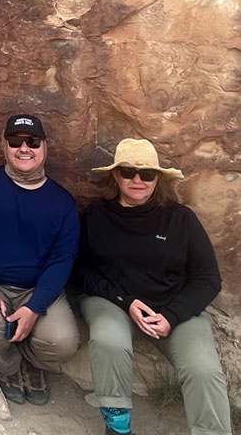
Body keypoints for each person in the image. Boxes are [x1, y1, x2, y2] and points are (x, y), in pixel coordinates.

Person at [76, 138, 229, 435]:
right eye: (129, 172)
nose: (137, 180)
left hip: (172, 307)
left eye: (147, 174)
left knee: (204, 370)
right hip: (114, 302)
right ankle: (117, 426)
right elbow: (80, 270)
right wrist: (125, 300)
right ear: (116, 176)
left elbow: (208, 278)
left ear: (157, 178)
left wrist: (172, 316)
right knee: (109, 340)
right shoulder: (97, 215)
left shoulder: (181, 219)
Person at [0, 114, 80, 405]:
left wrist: (36, 306)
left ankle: (32, 362)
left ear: (44, 147)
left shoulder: (62, 201)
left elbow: (63, 259)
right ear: (4, 146)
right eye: (15, 141)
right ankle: (9, 366)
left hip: (37, 289)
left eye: (33, 142)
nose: (24, 148)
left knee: (63, 343)